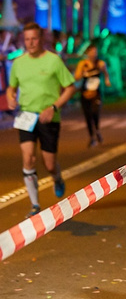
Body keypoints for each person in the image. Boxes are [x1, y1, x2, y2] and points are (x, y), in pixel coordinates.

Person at [5, 22, 76, 218]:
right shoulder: (19, 63)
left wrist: (53, 107)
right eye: (27, 39)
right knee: (28, 158)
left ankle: (57, 178)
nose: (31, 43)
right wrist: (10, 96)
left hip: (48, 118)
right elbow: (12, 87)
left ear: (41, 38)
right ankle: (35, 205)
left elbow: (70, 87)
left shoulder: (53, 61)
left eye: (34, 38)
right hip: (26, 115)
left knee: (49, 163)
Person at [74, 44, 112, 147]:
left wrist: (107, 81)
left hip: (96, 93)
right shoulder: (83, 64)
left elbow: (106, 73)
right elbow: (76, 77)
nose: (93, 54)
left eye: (95, 52)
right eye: (91, 52)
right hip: (85, 92)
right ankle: (92, 137)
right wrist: (82, 72)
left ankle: (97, 130)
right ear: (87, 53)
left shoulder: (100, 63)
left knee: (95, 112)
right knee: (88, 115)